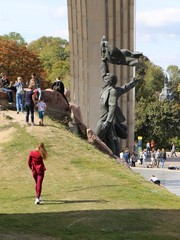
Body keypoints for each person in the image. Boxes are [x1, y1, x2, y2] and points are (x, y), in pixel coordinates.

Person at [95, 57, 138, 156]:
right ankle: (114, 155)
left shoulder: (113, 91)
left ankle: (110, 155)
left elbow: (112, 107)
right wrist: (104, 62)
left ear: (109, 81)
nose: (104, 78)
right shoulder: (106, 87)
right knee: (110, 138)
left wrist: (108, 121)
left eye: (106, 78)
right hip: (104, 118)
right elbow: (104, 73)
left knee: (96, 137)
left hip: (105, 119)